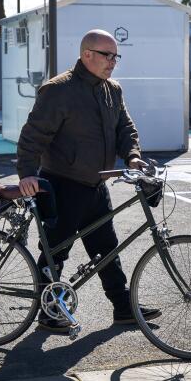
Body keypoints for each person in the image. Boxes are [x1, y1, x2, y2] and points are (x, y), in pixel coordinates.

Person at [17, 29, 161, 332]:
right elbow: (32, 136)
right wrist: (28, 172)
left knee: (107, 249)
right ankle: (48, 312)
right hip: (61, 185)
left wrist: (133, 157)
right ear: (87, 55)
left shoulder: (113, 90)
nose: (113, 62)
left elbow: (125, 129)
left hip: (96, 185)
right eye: (107, 55)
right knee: (56, 253)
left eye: (115, 56)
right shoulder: (59, 91)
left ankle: (123, 309)